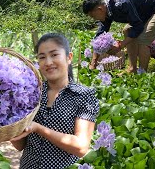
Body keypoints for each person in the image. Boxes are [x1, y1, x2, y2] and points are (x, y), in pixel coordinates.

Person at [10, 33, 99, 169]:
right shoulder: (32, 93)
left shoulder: (84, 96)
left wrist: (38, 129)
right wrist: (10, 129)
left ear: (69, 57)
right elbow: (20, 146)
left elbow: (81, 148)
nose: (48, 62)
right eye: (42, 57)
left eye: (54, 55)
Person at [83, 0, 155, 73]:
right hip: (148, 12)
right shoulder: (106, 11)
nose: (93, 19)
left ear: (99, 9)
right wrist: (93, 62)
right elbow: (100, 35)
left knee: (142, 39)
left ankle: (142, 74)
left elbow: (138, 27)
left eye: (93, 16)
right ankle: (133, 69)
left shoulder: (121, 3)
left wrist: (121, 45)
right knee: (127, 30)